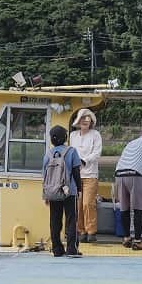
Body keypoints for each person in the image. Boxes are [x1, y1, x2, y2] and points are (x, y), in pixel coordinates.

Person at [43, 124, 83, 257]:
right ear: (65, 138)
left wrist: (46, 194)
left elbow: (45, 175)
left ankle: (57, 249)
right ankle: (72, 249)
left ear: (52, 140)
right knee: (71, 219)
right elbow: (76, 172)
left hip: (53, 191)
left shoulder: (48, 154)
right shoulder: (71, 151)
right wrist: (79, 189)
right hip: (69, 191)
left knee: (54, 220)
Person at [69, 107, 102, 243]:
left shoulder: (95, 134)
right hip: (76, 174)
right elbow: (71, 152)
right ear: (78, 120)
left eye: (88, 118)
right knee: (78, 204)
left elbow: (97, 153)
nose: (86, 120)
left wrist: (85, 160)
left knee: (88, 203)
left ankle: (91, 231)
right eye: (83, 117)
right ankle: (81, 230)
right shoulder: (73, 135)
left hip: (91, 174)